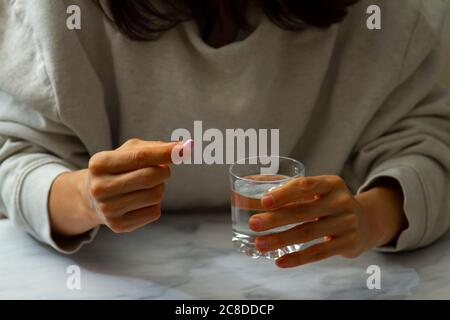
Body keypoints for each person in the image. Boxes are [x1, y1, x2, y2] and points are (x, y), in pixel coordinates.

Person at [0, 0, 449, 269]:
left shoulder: (384, 14)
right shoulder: (62, 13)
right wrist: (84, 198)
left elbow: (430, 147)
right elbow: (17, 157)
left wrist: (369, 218)